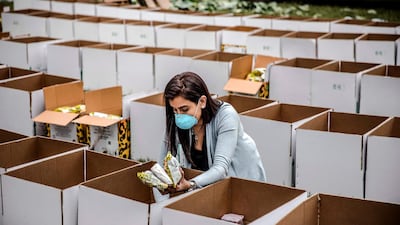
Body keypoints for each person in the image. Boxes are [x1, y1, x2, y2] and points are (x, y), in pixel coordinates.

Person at [159, 71, 266, 192]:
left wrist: (191, 184)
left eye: (184, 109)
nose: (179, 115)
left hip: (241, 181)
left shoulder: (226, 116)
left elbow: (220, 168)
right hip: (208, 184)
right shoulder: (177, 121)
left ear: (202, 102)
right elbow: (163, 161)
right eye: (175, 110)